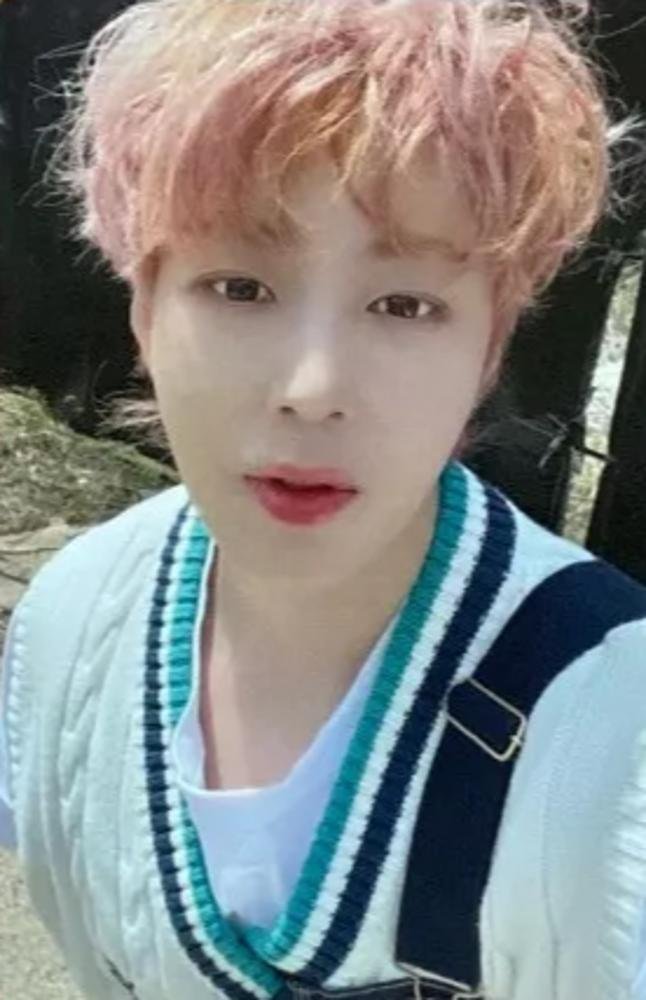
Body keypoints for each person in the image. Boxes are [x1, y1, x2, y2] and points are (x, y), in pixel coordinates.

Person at [1, 1, 646, 998]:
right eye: (239, 288)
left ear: (489, 347)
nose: (311, 387)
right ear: (143, 306)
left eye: (404, 304)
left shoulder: (612, 735)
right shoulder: (73, 622)